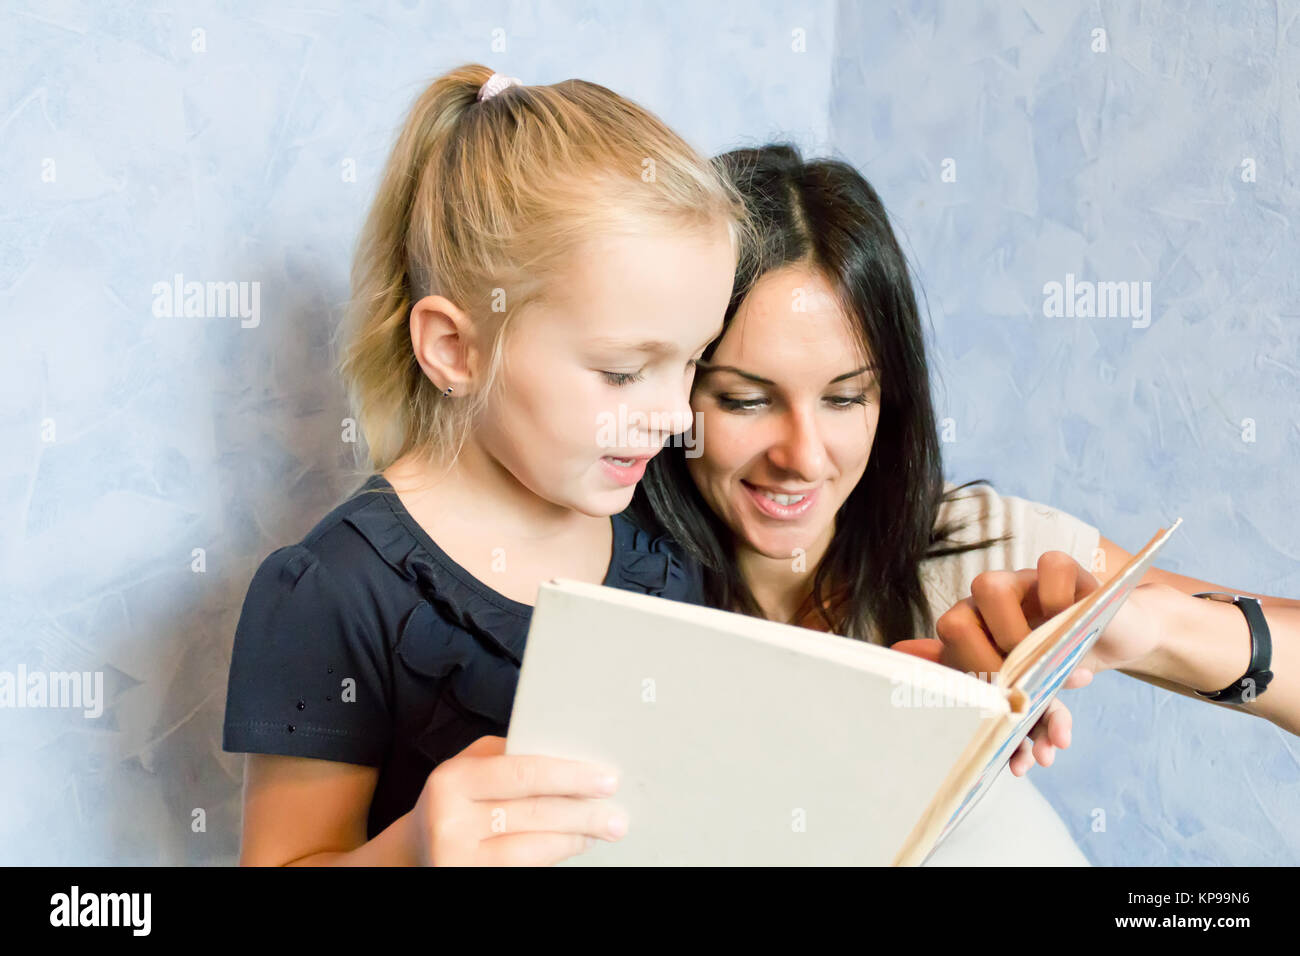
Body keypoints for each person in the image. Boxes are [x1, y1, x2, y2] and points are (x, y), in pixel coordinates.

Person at [221, 64, 751, 866]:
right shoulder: (333, 593)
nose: (676, 418)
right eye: (621, 373)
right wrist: (411, 850)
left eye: (693, 362)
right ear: (455, 348)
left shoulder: (664, 546)